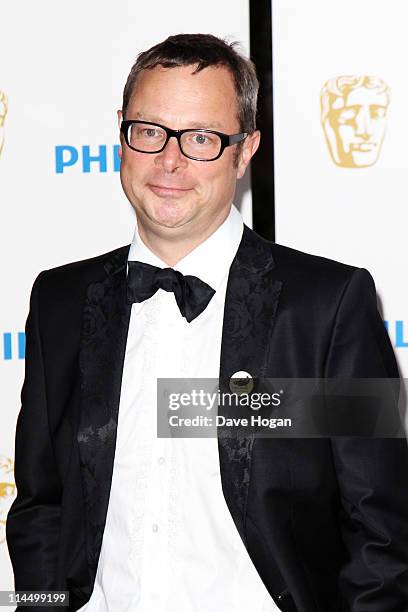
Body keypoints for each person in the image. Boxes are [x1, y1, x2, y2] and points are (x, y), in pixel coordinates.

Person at [6, 33, 408, 612]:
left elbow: (382, 535)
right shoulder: (59, 301)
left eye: (201, 138)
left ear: (245, 152)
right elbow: (40, 508)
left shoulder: (327, 308)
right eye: (150, 131)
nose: (169, 161)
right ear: (121, 133)